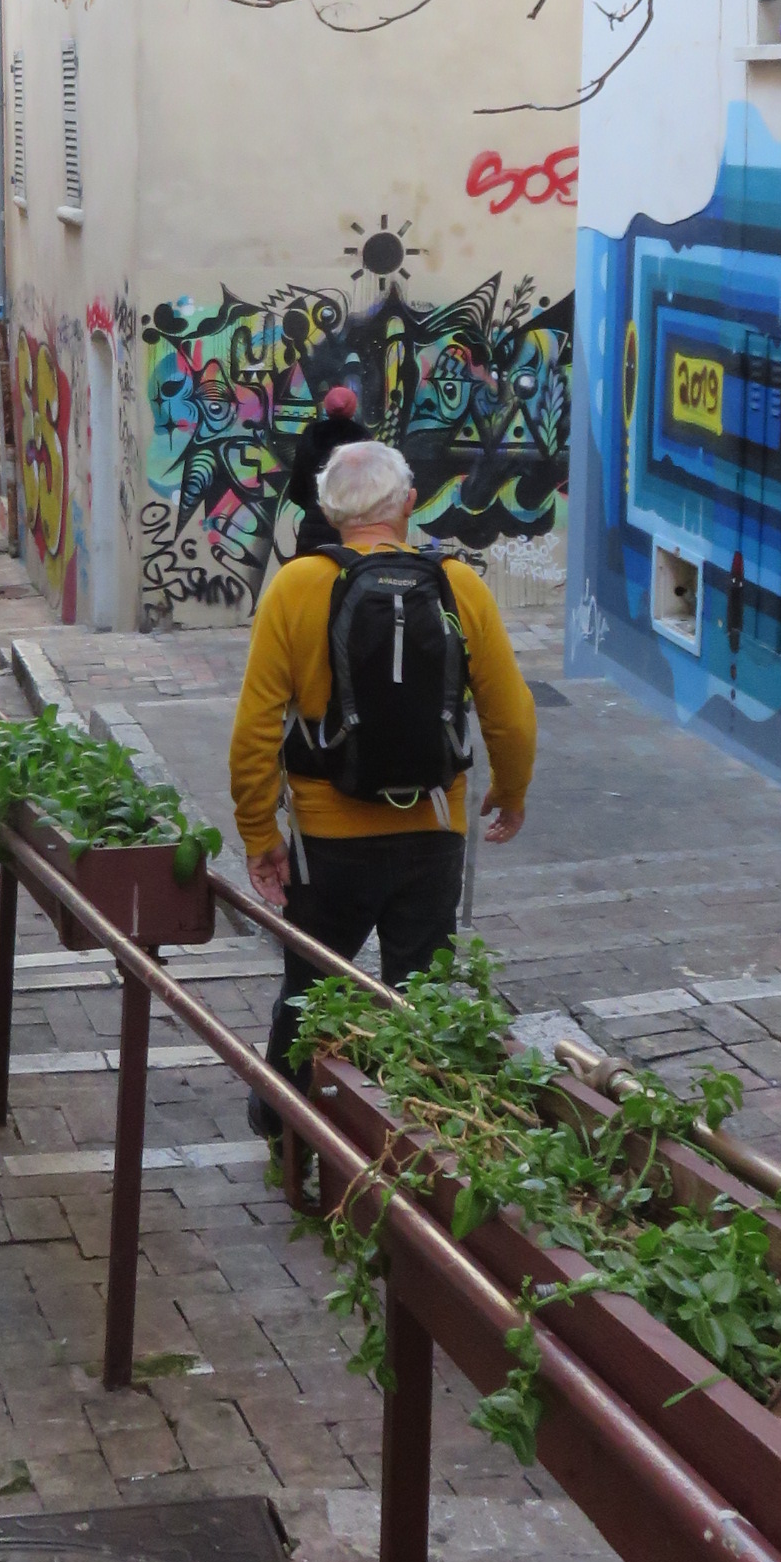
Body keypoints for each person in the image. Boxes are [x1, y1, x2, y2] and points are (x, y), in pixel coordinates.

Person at [229, 438, 536, 1133]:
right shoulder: (458, 584)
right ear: (407, 503)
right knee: (422, 996)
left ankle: (282, 1122)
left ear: (330, 510)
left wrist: (259, 833)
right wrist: (511, 790)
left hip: (327, 840)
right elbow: (511, 713)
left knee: (311, 988)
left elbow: (254, 729)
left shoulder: (296, 587)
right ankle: (416, 1134)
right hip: (434, 828)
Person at [282, 381, 367, 556]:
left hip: (313, 531)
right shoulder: (363, 439)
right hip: (352, 532)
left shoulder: (310, 436)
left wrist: (314, 506)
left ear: (327, 408)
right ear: (353, 408)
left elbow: (296, 491)